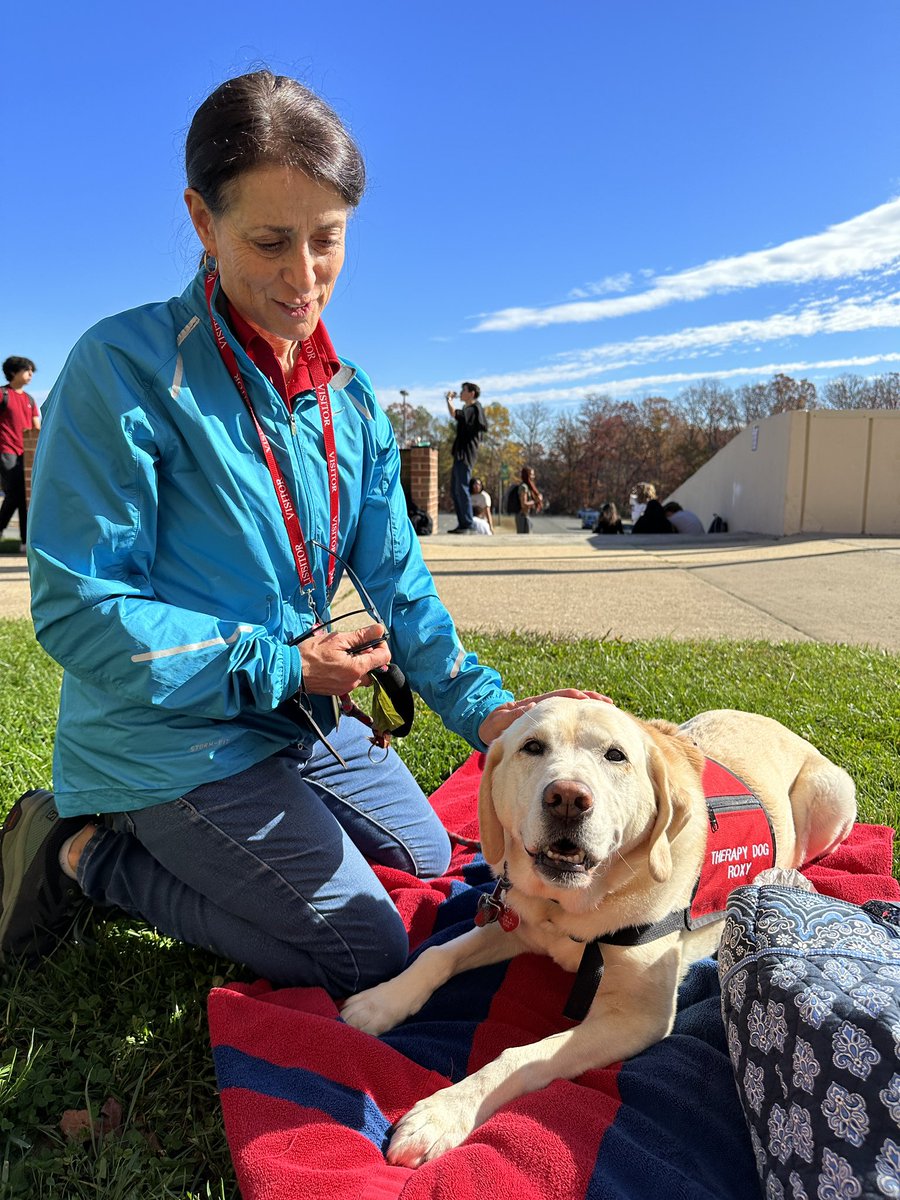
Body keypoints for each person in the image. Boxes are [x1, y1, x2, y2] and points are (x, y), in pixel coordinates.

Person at [0, 71, 602, 994]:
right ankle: (84, 851)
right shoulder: (122, 369)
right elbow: (80, 611)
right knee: (367, 953)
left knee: (422, 845)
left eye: (327, 240)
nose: (303, 279)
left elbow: (399, 585)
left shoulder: (348, 398)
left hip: (294, 720)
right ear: (202, 221)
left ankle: (221, 825)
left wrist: (493, 714)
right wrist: (285, 665)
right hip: (167, 740)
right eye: (270, 242)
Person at [0, 356, 41, 551]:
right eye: (27, 370)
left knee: (26, 496)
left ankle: (25, 542)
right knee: (15, 492)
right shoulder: (2, 394)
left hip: (27, 455)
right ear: (13, 372)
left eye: (32, 371)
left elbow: (36, 427)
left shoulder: (30, 399)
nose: (31, 374)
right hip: (6, 450)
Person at [446, 383, 487, 533]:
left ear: (472, 393)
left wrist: (449, 399)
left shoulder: (474, 409)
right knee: (456, 488)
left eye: (464, 390)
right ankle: (463, 523)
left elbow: (454, 414)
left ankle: (468, 523)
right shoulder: (470, 409)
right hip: (460, 454)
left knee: (462, 488)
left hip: (465, 455)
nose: (461, 392)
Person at [514, 465, 543, 534]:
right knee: (523, 540)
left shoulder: (528, 487)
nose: (533, 477)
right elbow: (523, 504)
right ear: (527, 476)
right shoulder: (524, 487)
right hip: (522, 516)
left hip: (526, 515)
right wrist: (536, 501)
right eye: (532, 475)